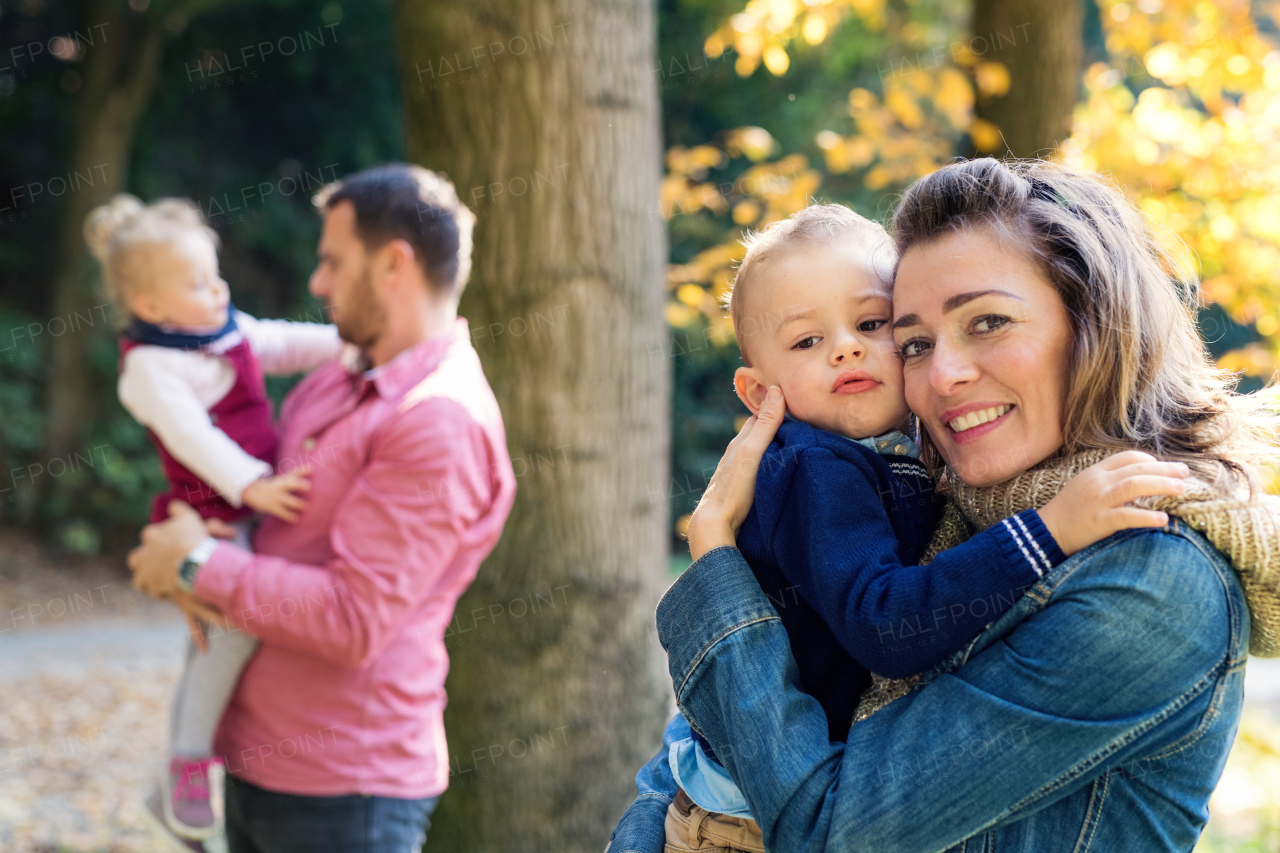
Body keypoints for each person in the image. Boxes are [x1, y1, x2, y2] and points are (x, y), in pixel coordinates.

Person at [610, 158, 1280, 853]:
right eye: (916, 344)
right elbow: (676, 777)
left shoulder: (1151, 579)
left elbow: (827, 834)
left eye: (987, 321)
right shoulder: (947, 505)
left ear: (1096, 323)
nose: (943, 374)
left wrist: (718, 564)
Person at [127, 163, 517, 853]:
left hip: (343, 792)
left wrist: (195, 562)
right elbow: (274, 533)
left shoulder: (438, 421)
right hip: (256, 763)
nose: (317, 283)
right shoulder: (337, 379)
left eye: (333, 261)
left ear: (394, 264)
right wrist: (207, 541)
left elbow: (351, 617)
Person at [86, 194, 343, 842]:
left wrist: (348, 343)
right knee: (228, 631)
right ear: (151, 308)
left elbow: (282, 341)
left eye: (216, 273)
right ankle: (188, 760)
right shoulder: (150, 366)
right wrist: (253, 484)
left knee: (220, 634)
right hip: (210, 510)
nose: (218, 288)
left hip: (242, 501)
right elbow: (191, 435)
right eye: (199, 282)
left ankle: (181, 773)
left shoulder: (222, 328)